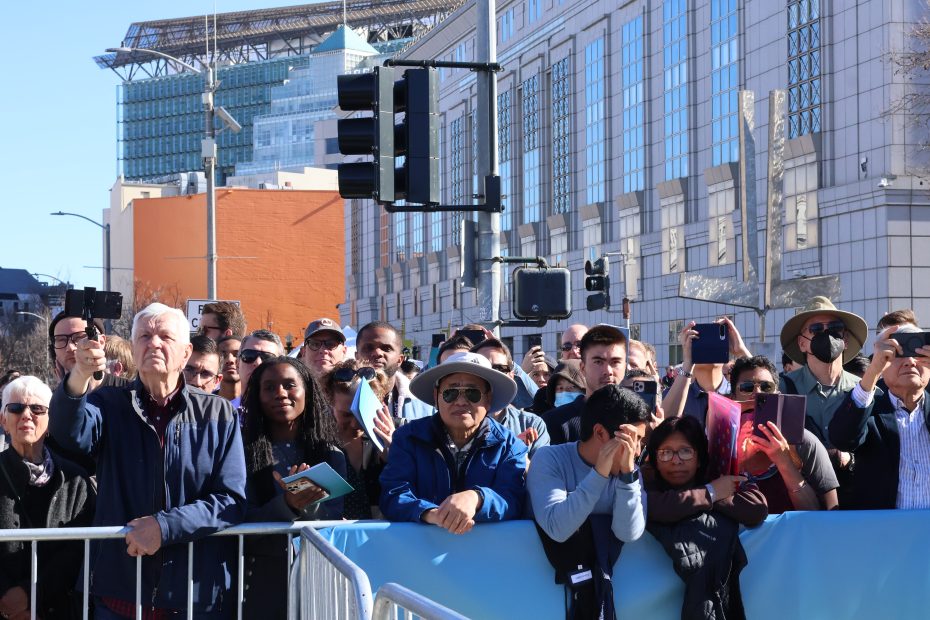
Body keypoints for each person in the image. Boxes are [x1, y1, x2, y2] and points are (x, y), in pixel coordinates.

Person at [49, 303, 247, 617]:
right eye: (144, 336)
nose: (153, 343)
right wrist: (79, 377)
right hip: (120, 596)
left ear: (185, 353)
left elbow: (231, 500)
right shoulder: (108, 404)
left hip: (192, 598)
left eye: (165, 337)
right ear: (134, 348)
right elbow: (67, 433)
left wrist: (163, 528)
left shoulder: (218, 413)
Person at [527, 384, 649, 620]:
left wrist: (627, 478)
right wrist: (599, 474)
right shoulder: (549, 459)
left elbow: (628, 532)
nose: (637, 451)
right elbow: (559, 528)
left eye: (640, 442)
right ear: (601, 433)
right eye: (633, 439)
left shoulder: (628, 470)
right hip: (537, 598)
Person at [240, 356, 346, 617]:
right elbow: (243, 518)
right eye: (269, 387)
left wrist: (306, 505)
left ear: (307, 392)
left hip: (317, 577)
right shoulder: (241, 453)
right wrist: (286, 504)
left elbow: (333, 517)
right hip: (261, 581)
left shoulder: (331, 453)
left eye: (289, 385)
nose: (280, 394)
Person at [379, 351, 527, 531]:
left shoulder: (510, 446)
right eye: (451, 393)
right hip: (420, 551)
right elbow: (392, 494)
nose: (461, 401)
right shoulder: (407, 438)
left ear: (488, 399)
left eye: (473, 393)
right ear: (436, 396)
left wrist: (477, 498)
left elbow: (513, 498)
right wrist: (432, 514)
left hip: (488, 552)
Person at [643, 416, 766, 620]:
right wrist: (709, 494)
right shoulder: (647, 484)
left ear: (699, 457)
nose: (676, 460)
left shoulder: (717, 478)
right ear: (655, 459)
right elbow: (654, 508)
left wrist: (712, 492)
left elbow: (756, 509)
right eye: (665, 453)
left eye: (685, 451)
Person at [0, 376, 95, 620]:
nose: (26, 415)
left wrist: (33, 595)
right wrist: (7, 600)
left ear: (50, 421)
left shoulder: (75, 480)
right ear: (4, 420)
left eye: (38, 409)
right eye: (16, 408)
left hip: (57, 610)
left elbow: (78, 552)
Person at [829, 323, 930, 509]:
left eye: (918, 352)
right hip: (883, 531)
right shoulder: (868, 406)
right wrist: (873, 371)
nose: (910, 361)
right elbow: (842, 439)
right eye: (899, 353)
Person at [778, 297, 868, 497]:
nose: (826, 333)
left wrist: (849, 459)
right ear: (802, 343)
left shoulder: (866, 391)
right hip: (801, 497)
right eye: (816, 329)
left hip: (855, 499)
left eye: (835, 327)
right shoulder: (782, 389)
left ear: (845, 340)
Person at [730, 356, 839, 512]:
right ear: (733, 397)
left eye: (766, 387)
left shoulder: (804, 441)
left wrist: (784, 462)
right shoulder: (722, 442)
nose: (757, 394)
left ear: (778, 393)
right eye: (747, 387)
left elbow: (830, 512)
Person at [321, 360, 398, 519]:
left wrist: (396, 454)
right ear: (330, 403)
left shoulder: (399, 434)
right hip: (330, 536)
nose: (355, 423)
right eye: (346, 414)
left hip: (381, 536)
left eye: (362, 414)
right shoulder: (317, 440)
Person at [542, 324, 628, 445]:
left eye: (615, 362)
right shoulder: (553, 422)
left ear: (625, 366)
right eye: (598, 362)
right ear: (582, 367)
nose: (608, 371)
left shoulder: (638, 418)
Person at [471, 338, 551, 459]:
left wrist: (517, 451)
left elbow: (540, 475)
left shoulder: (532, 424)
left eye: (500, 369)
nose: (493, 374)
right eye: (484, 368)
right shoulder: (456, 421)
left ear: (512, 375)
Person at [663, 317, 751, 424]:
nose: (709, 347)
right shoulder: (676, 394)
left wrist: (741, 352)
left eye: (715, 343)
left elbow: (766, 399)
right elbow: (663, 424)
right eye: (701, 342)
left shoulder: (740, 392)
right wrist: (688, 363)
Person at [356, 321, 431, 420]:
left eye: (386, 348)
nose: (377, 353)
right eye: (369, 348)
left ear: (400, 360)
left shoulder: (425, 404)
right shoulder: (340, 400)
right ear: (356, 357)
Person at [48, 312, 128, 390]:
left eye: (79, 338)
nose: (70, 347)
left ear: (101, 342)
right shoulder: (51, 401)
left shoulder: (129, 394)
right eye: (61, 340)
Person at [232, 330, 285, 408]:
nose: (257, 362)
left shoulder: (287, 416)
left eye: (268, 358)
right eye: (249, 355)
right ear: (237, 364)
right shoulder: (222, 414)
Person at [216, 335, 241, 401]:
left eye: (237, 354)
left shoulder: (259, 404)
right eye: (223, 355)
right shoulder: (204, 404)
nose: (230, 360)